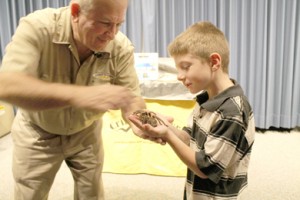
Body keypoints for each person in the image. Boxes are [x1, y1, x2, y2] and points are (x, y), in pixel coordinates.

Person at [0, 0, 148, 199]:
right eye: (105, 23)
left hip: (86, 132)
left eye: (118, 24)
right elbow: (7, 85)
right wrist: (79, 95)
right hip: (37, 131)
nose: (112, 34)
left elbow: (132, 98)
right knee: (30, 194)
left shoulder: (120, 46)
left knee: (91, 194)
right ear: (76, 12)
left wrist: (141, 122)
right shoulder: (38, 27)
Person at [129, 21, 256, 200]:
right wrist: (165, 126)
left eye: (186, 67)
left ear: (214, 62)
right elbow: (191, 140)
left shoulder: (232, 111)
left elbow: (206, 167)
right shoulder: (206, 100)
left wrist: (167, 135)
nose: (179, 76)